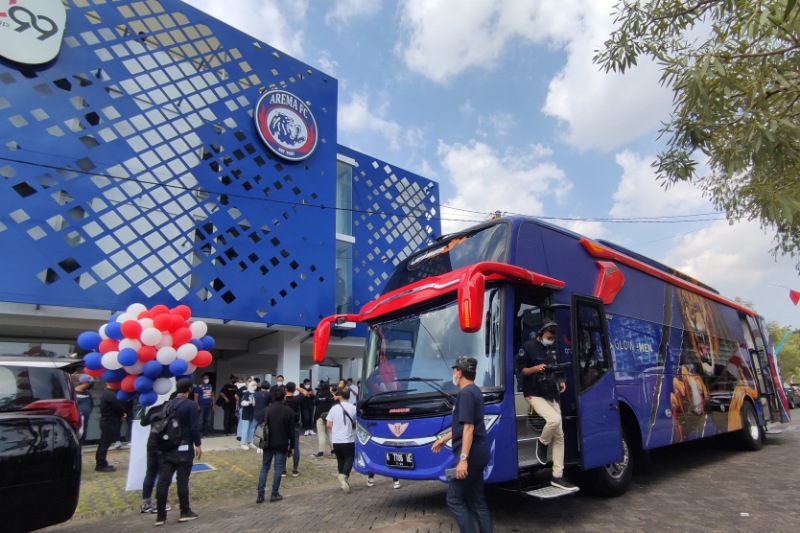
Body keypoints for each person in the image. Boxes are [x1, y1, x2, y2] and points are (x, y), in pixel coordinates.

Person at [432, 356, 493, 533]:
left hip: (471, 455)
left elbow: (468, 427)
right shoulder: (475, 391)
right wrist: (443, 440)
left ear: (459, 373)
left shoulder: (466, 394)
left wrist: (463, 459)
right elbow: (463, 426)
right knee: (477, 501)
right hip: (480, 452)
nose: (453, 374)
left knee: (454, 499)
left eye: (454, 371)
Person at [516, 321, 578, 492]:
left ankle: (557, 476)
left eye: (553, 338)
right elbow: (521, 371)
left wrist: (561, 381)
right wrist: (535, 368)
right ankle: (542, 443)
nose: (550, 340)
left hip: (551, 392)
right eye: (549, 337)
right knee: (554, 420)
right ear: (541, 333)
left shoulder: (552, 349)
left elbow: (556, 369)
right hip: (533, 393)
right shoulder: (527, 347)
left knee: (560, 436)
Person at [154, 378, 201, 525]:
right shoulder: (190, 405)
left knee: (163, 481)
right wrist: (198, 444)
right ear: (189, 390)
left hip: (168, 446)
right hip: (184, 446)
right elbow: (194, 427)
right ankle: (184, 511)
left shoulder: (167, 404)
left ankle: (160, 516)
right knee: (182, 480)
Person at [254, 385, 295, 503]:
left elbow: (259, 427)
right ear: (284, 396)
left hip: (267, 442)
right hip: (282, 443)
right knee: (278, 468)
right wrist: (292, 447)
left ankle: (260, 494)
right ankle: (274, 493)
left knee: (265, 467)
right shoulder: (288, 411)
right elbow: (291, 432)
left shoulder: (266, 410)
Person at [139, 401, 171, 515]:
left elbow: (143, 422)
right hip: (164, 444)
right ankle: (159, 503)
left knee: (150, 473)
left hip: (151, 444)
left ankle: (146, 503)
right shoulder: (172, 409)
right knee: (163, 474)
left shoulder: (154, 409)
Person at [327, 387, 356, 493]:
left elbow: (328, 424)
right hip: (348, 438)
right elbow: (356, 422)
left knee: (340, 460)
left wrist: (336, 428)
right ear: (349, 396)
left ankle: (343, 483)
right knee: (349, 458)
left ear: (339, 396)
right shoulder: (353, 408)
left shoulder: (333, 409)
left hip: (336, 439)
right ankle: (344, 477)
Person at [95, 383, 127, 472]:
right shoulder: (111, 395)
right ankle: (101, 464)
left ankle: (101, 462)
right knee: (104, 444)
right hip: (109, 422)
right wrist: (122, 414)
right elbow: (117, 406)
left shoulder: (107, 393)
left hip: (107, 421)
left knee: (103, 443)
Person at [284, 381, 308, 476]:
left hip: (284, 425)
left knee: (284, 445)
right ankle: (295, 469)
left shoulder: (283, 399)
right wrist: (296, 387)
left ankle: (283, 469)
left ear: (285, 389)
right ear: (294, 390)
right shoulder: (297, 399)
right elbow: (304, 391)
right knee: (295, 446)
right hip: (295, 424)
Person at [312, 380, 335, 457]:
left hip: (320, 416)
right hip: (329, 417)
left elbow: (315, 403)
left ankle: (321, 451)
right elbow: (333, 402)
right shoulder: (331, 395)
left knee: (321, 434)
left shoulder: (319, 395)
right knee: (330, 434)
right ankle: (333, 450)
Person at [75, 375, 94, 445]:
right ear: (84, 382)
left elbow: (91, 404)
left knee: (83, 437)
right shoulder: (73, 393)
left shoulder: (88, 393)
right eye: (88, 383)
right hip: (76, 421)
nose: (90, 384)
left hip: (85, 420)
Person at [239, 380, 258, 449]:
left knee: (252, 428)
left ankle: (250, 441)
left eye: (255, 385)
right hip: (246, 412)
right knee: (245, 428)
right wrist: (249, 403)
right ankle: (243, 442)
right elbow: (242, 403)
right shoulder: (246, 393)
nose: (254, 386)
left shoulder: (256, 393)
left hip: (253, 412)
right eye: (253, 385)